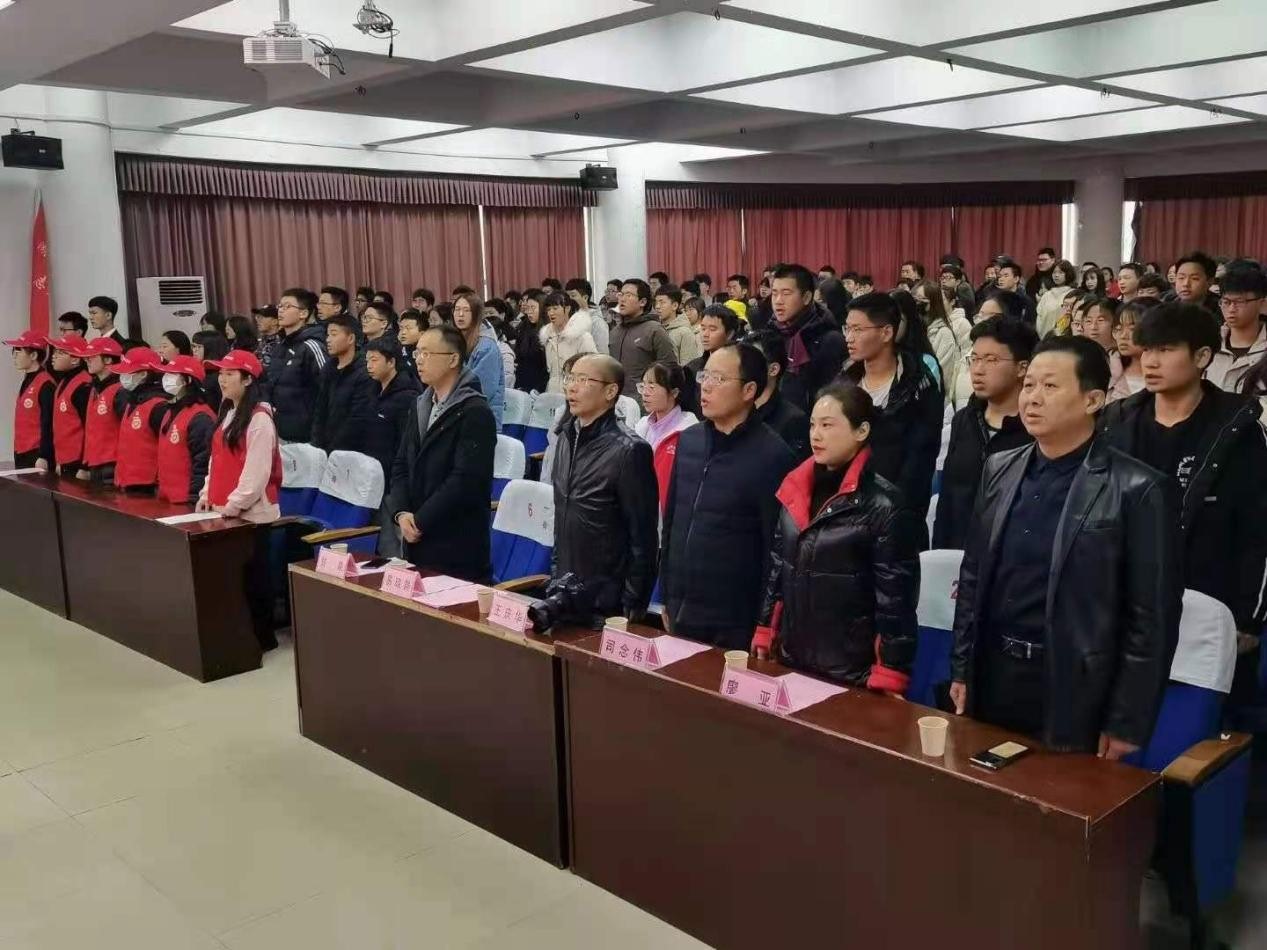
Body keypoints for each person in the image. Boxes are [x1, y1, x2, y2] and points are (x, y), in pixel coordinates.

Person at [949, 336, 1181, 756]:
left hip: (1075, 686)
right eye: (1029, 385)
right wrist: (962, 668)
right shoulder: (999, 468)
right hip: (994, 671)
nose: (1033, 398)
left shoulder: (1138, 489)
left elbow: (1151, 618)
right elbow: (973, 575)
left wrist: (1126, 719)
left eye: (1051, 386)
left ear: (1093, 400)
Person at [1100, 303, 1267, 694]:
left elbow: (1257, 533)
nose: (1151, 361)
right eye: (1147, 349)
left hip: (1208, 611)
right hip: (1123, 609)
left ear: (1202, 356)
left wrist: (1247, 619)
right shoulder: (1115, 423)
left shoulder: (1237, 432)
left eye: (1166, 350)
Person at [753, 384, 920, 691]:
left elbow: (895, 602)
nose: (816, 435)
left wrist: (891, 671)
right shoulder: (794, 489)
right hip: (791, 656)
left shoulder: (885, 506)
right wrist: (766, 628)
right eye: (812, 425)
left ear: (861, 431)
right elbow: (778, 567)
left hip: (851, 671)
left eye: (827, 425)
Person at [660, 343, 796, 648]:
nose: (705, 387)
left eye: (718, 379)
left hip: (734, 619)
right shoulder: (689, 440)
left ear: (749, 390)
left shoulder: (773, 456)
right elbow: (672, 521)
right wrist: (667, 593)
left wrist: (764, 623)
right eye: (704, 376)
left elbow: (775, 550)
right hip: (681, 607)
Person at [550, 353, 659, 619]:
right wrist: (555, 574)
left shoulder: (630, 450)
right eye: (570, 378)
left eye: (583, 380)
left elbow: (643, 537)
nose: (571, 387)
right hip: (565, 590)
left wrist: (632, 602)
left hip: (607, 601)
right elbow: (561, 517)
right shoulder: (566, 437)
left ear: (610, 391)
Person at [388, 324, 497, 581]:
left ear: (453, 359)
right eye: (417, 353)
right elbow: (401, 463)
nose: (419, 360)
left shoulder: (475, 412)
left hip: (456, 543)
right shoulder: (420, 405)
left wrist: (420, 520)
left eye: (427, 353)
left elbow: (465, 480)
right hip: (416, 536)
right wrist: (401, 512)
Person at [196, 350, 283, 650]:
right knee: (232, 582)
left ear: (247, 379)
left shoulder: (259, 419)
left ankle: (262, 639)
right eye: (220, 373)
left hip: (250, 516)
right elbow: (216, 460)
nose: (222, 379)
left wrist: (232, 506)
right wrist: (207, 493)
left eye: (230, 374)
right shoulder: (228, 412)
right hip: (225, 511)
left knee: (253, 581)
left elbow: (256, 474)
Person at [838, 293, 943, 538]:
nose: (849, 337)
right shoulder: (843, 382)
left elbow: (919, 463)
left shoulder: (919, 386)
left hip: (897, 519)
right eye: (847, 328)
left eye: (858, 329)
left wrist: (893, 514)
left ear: (886, 333)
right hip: (844, 514)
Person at [932, 316, 1037, 549]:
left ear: (1023, 368)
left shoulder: (1035, 430)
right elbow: (948, 498)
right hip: (957, 552)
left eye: (991, 360)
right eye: (974, 359)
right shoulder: (964, 421)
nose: (978, 370)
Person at [769, 264, 846, 414]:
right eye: (774, 293)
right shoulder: (770, 334)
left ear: (806, 297)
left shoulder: (830, 340)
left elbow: (832, 396)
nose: (778, 300)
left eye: (786, 293)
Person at [263, 288, 327, 442]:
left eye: (287, 306)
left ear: (303, 313)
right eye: (280, 306)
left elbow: (327, 391)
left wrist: (318, 436)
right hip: (280, 431)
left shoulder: (312, 346)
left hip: (307, 436)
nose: (280, 310)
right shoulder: (281, 346)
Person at [633, 361, 697, 512]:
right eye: (643, 386)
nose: (645, 393)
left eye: (652, 387)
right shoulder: (642, 425)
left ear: (674, 393)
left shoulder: (689, 430)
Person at [306, 313, 373, 454]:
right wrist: (317, 446)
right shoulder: (328, 369)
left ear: (351, 338)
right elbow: (319, 411)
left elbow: (357, 418)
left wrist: (333, 450)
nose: (328, 339)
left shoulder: (364, 372)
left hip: (352, 451)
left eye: (334, 334)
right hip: (324, 450)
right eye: (327, 335)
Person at [154, 356, 215, 504]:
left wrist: (194, 498)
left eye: (172, 374)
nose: (166, 378)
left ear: (187, 380)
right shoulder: (170, 410)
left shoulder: (201, 418)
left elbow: (202, 464)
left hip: (187, 499)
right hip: (166, 497)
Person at [609, 278, 678, 408]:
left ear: (642, 302)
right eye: (621, 294)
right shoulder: (615, 332)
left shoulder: (654, 330)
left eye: (628, 295)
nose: (622, 299)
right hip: (616, 403)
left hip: (644, 404)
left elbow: (669, 369)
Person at [363, 337, 421, 489]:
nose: (369, 366)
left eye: (374, 360)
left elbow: (405, 444)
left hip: (390, 477)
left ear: (391, 362)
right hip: (369, 471)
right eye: (367, 361)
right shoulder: (371, 389)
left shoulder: (407, 397)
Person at [747, 328, 810, 461]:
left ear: (773, 369)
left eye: (752, 361)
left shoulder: (793, 420)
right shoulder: (735, 410)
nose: (743, 368)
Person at [111, 347, 168, 494]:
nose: (122, 376)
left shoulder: (159, 406)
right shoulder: (132, 400)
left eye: (127, 372)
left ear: (143, 374)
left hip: (147, 486)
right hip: (126, 482)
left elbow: (167, 450)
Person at [1206, 263, 1267, 393]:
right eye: (1226, 302)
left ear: (1262, 303)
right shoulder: (1208, 344)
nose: (1231, 309)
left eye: (1240, 302)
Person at [913, 278, 972, 407]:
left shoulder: (944, 334)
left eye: (922, 301)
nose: (917, 305)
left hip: (931, 402)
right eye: (915, 300)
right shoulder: (913, 330)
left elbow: (939, 376)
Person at [452, 291, 505, 430]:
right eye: (457, 309)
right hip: (459, 417)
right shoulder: (455, 343)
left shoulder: (487, 347)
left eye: (466, 310)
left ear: (476, 314)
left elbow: (482, 391)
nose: (460, 314)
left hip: (483, 421)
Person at [78, 337, 126, 484]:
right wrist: (85, 464)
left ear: (108, 359)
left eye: (92, 357)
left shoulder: (120, 391)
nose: (87, 360)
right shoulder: (94, 388)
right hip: (95, 463)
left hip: (112, 464)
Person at [6, 330, 55, 470]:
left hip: (36, 454)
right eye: (14, 351)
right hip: (21, 452)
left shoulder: (46, 384)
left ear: (33, 355)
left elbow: (48, 423)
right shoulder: (27, 380)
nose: (15, 356)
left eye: (19, 351)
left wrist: (44, 456)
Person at [48, 335, 92, 478]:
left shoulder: (83, 386)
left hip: (77, 462)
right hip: (64, 460)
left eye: (61, 352)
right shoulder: (64, 381)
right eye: (55, 351)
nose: (54, 356)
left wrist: (84, 466)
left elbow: (90, 428)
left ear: (75, 359)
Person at [542, 291, 597, 394]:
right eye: (548, 309)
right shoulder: (548, 337)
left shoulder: (582, 337)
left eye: (555, 308)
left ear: (567, 308)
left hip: (576, 392)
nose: (551, 313)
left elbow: (593, 369)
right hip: (552, 393)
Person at [1108, 297, 1158, 400]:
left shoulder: (1169, 377)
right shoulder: (1110, 373)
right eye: (1119, 329)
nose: (1123, 336)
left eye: (1132, 329)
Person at [653, 284, 703, 367]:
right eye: (656, 302)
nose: (657, 306)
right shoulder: (654, 328)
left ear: (675, 306)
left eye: (662, 302)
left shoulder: (684, 332)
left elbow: (688, 367)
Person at [564, 278, 609, 356]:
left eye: (573, 295)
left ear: (585, 297)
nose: (569, 299)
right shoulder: (570, 317)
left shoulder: (597, 322)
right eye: (567, 296)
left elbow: (602, 354)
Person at [1036, 260, 1078, 337]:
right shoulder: (1046, 295)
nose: (1056, 275)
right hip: (1045, 337)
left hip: (1065, 338)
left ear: (1068, 274)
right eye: (1054, 272)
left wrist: (1058, 334)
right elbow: (1040, 317)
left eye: (1060, 272)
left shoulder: (1073, 294)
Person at [1172, 252, 1221, 316]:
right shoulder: (1167, 308)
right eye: (1181, 278)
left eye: (1194, 278)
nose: (1186, 284)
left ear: (1210, 282)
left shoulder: (1222, 310)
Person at [395, 309, 423, 383]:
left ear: (422, 333)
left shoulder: (427, 354)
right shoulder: (395, 350)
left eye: (408, 328)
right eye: (401, 328)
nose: (403, 332)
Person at [252, 305, 281, 370]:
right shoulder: (263, 340)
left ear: (275, 322)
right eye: (257, 317)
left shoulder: (280, 342)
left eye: (262, 317)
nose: (258, 320)